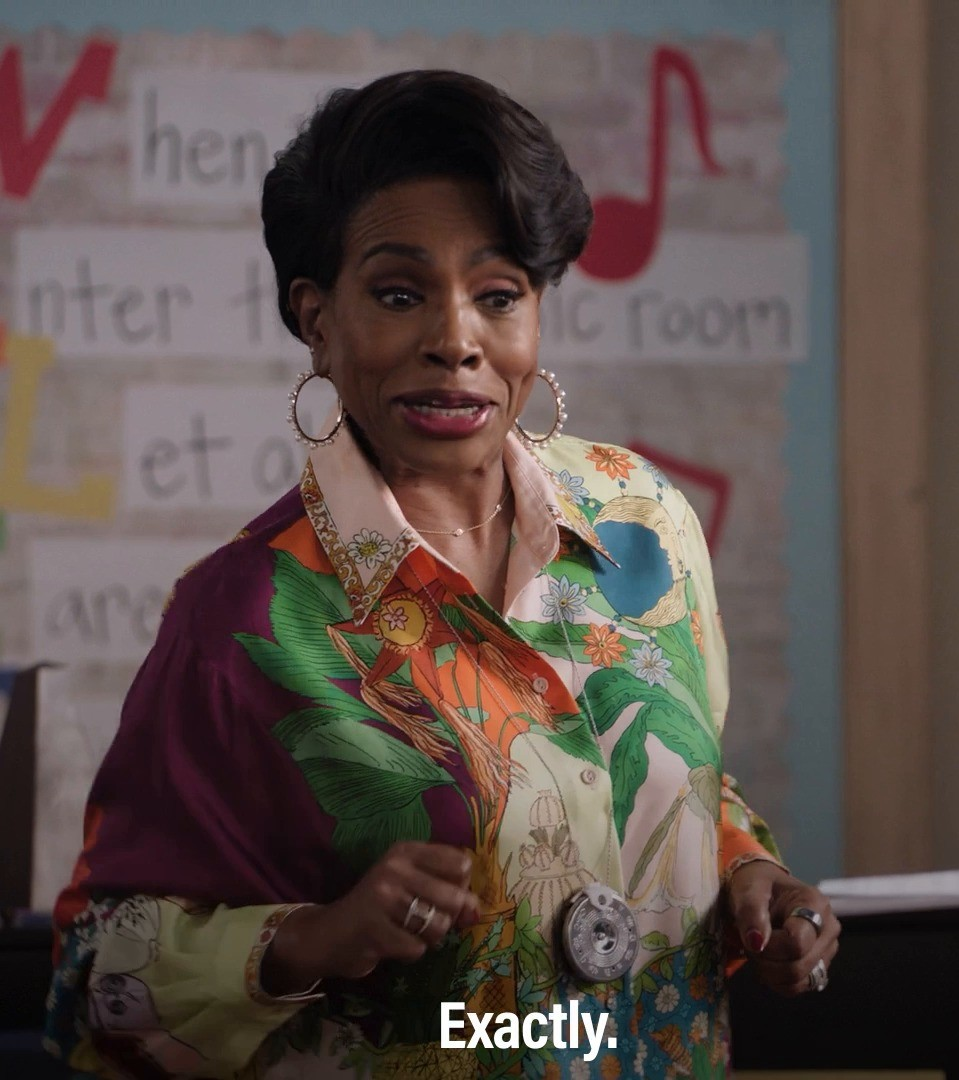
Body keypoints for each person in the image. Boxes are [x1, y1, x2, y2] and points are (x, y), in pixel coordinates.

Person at [45, 69, 839, 1079]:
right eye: (398, 294)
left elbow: (681, 786)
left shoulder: (647, 522)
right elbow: (92, 982)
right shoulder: (240, 616)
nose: (456, 341)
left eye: (498, 296)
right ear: (318, 321)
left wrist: (749, 873)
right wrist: (311, 939)